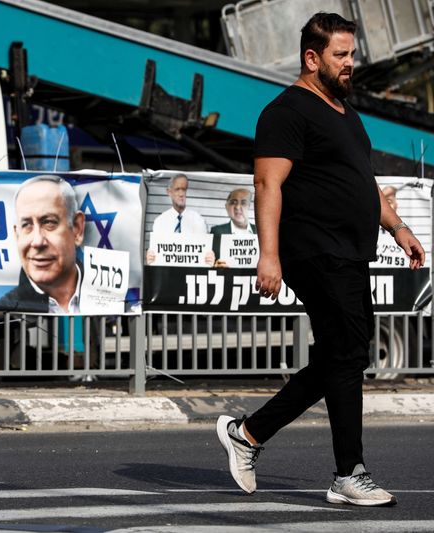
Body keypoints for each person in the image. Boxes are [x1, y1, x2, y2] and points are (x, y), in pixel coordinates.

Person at [216, 12, 424, 507]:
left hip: (351, 252)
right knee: (347, 354)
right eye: (341, 55)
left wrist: (396, 227)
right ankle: (349, 472)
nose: (351, 64)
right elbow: (267, 183)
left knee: (344, 356)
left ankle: (247, 433)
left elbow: (363, 181)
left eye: (352, 54)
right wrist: (268, 254)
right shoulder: (287, 111)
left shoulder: (346, 115)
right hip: (313, 250)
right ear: (312, 58)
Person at [0, 174, 85, 313]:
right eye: (27, 225)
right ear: (17, 234)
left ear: (77, 228)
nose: (37, 241)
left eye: (49, 223)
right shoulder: (0, 317)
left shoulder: (118, 303)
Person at [146, 174, 210, 265]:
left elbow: (204, 253)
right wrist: (151, 257)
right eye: (177, 189)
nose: (181, 194)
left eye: (184, 189)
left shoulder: (198, 220)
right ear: (169, 192)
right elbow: (155, 255)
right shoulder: (160, 221)